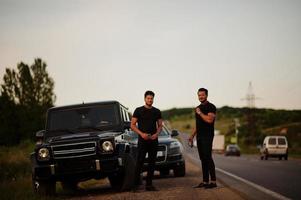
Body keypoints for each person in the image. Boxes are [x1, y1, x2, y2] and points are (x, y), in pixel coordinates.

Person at [131, 90, 163, 191]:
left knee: (152, 162)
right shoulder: (138, 110)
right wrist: (142, 134)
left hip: (153, 140)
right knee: (139, 162)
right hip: (143, 140)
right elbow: (132, 125)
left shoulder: (157, 111)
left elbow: (160, 125)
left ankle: (149, 185)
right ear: (145, 99)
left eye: (151, 98)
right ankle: (135, 186)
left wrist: (156, 134)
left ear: (153, 99)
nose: (150, 100)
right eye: (148, 98)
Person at [189, 88, 217, 189]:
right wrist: (192, 136)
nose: (201, 97)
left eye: (202, 95)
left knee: (208, 157)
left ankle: (213, 181)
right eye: (199, 95)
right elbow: (198, 124)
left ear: (206, 95)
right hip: (199, 136)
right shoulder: (198, 108)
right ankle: (205, 181)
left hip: (208, 135)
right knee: (203, 159)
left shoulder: (211, 107)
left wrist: (200, 113)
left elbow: (209, 120)